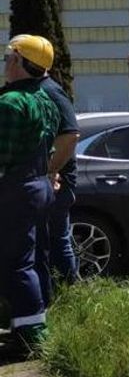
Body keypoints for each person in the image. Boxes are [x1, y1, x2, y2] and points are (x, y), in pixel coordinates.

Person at [1, 35, 61, 352]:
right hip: (38, 185)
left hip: (16, 190)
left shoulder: (10, 103)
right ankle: (34, 322)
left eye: (9, 58)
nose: (6, 64)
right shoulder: (45, 101)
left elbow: (3, 154)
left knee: (15, 264)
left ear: (21, 63)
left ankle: (29, 338)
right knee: (34, 258)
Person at [37, 70, 80, 299]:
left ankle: (66, 293)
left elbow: (71, 136)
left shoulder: (50, 91)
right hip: (47, 181)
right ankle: (54, 293)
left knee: (57, 238)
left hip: (57, 182)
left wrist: (50, 169)